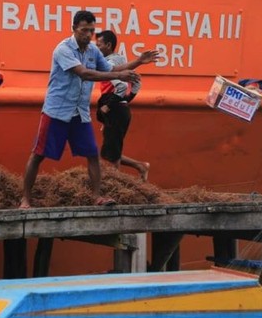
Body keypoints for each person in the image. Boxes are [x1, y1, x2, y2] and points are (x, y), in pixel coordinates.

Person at [19, 11, 158, 209]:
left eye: (91, 31)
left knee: (92, 153)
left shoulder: (93, 51)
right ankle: (26, 199)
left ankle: (96, 197)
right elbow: (84, 74)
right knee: (38, 154)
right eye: (84, 30)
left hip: (79, 112)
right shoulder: (63, 49)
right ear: (74, 29)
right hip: (57, 110)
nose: (88, 35)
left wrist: (137, 62)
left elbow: (110, 70)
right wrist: (122, 76)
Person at [94, 30, 150, 181]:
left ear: (108, 45)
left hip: (115, 110)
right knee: (111, 150)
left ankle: (114, 187)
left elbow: (121, 87)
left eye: (98, 45)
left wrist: (110, 106)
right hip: (120, 110)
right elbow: (136, 84)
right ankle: (140, 166)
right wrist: (126, 101)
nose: (96, 48)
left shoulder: (109, 64)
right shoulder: (121, 60)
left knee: (111, 155)